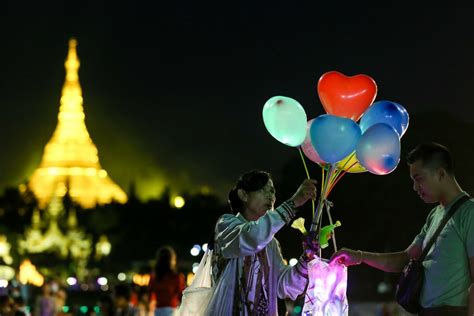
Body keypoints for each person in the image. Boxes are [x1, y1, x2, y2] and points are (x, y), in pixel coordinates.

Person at [330, 142, 474, 316]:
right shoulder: (435, 215)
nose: (415, 188)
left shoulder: (469, 213)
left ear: (441, 174)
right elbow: (405, 259)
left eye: (419, 178)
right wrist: (360, 256)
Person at [204, 170, 318, 315]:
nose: (270, 196)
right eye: (263, 190)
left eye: (272, 191)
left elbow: (284, 286)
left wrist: (306, 257)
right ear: (243, 195)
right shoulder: (226, 224)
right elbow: (250, 238)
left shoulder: (271, 243)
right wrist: (293, 203)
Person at [148, 246, 185, 316]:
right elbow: (182, 295)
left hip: (158, 310)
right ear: (171, 260)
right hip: (172, 310)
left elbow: (150, 294)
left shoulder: (154, 277)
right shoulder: (176, 277)